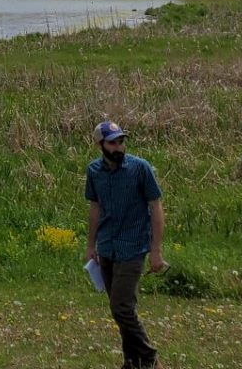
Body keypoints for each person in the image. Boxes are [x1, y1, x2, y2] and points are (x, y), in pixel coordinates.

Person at [85, 120, 166, 369]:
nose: (119, 147)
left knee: (121, 307)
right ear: (100, 144)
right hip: (107, 247)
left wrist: (156, 251)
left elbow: (156, 207)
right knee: (119, 308)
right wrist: (91, 245)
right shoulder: (94, 171)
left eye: (121, 141)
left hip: (133, 247)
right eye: (113, 142)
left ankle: (149, 357)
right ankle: (132, 361)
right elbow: (95, 209)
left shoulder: (140, 169)